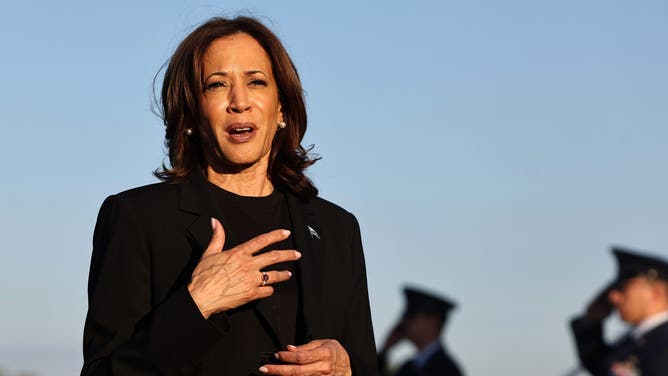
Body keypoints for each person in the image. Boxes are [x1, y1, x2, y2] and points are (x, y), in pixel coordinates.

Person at [81, 16, 378, 376]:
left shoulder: (337, 228)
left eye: (256, 82)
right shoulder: (136, 218)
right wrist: (197, 304)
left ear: (281, 107)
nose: (240, 102)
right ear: (190, 112)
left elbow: (364, 363)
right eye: (217, 85)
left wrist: (346, 368)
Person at [570, 247, 668, 376]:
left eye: (623, 289)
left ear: (656, 293)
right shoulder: (635, 341)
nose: (613, 297)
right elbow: (600, 366)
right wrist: (591, 321)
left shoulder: (660, 342)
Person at [378, 287, 464, 376]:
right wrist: (384, 351)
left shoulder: (446, 370)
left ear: (431, 322)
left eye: (412, 317)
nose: (405, 323)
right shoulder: (408, 368)